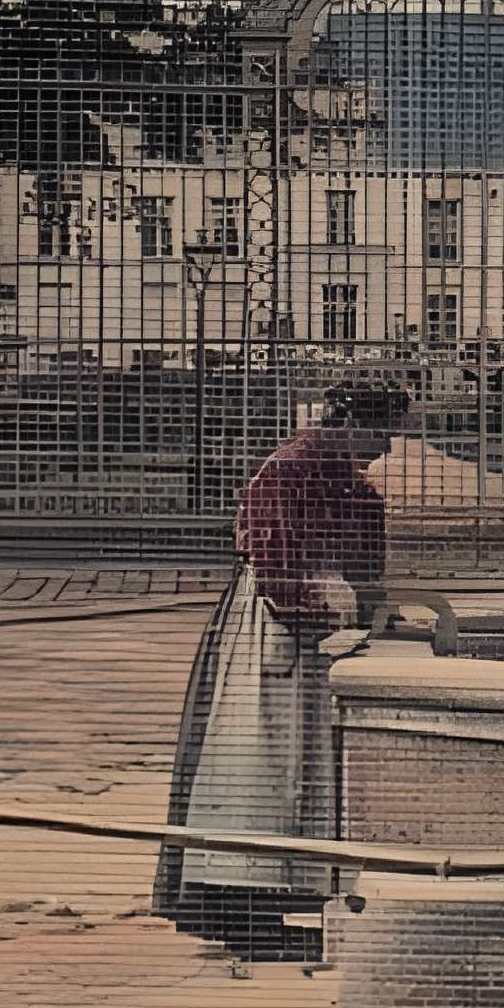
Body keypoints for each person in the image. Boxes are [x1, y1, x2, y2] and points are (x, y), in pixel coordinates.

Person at [153, 379, 411, 957]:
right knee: (257, 761)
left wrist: (361, 606)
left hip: (315, 632)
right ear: (347, 423)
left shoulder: (347, 479)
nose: (388, 447)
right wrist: (321, 605)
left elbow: (363, 564)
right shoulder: (291, 468)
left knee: (296, 766)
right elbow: (274, 560)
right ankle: (238, 905)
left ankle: (266, 904)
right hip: (273, 628)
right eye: (382, 431)